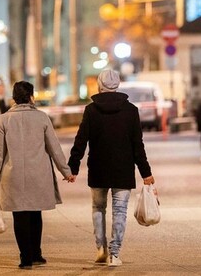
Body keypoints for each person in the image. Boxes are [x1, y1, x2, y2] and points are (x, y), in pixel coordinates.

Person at [68, 69, 154, 268]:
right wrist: (146, 172)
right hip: (123, 169)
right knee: (120, 211)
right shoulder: (131, 111)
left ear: (100, 85)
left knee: (98, 208)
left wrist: (73, 167)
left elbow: (81, 141)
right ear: (117, 85)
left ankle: (101, 248)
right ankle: (114, 254)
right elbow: (137, 145)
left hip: (98, 168)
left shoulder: (91, 110)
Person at [0, 81, 73, 269]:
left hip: (13, 175)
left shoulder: (4, 119)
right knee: (35, 213)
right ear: (31, 96)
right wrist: (66, 172)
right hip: (38, 175)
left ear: (14, 97)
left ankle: (25, 258)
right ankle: (36, 254)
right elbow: (54, 148)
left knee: (20, 216)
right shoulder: (42, 118)